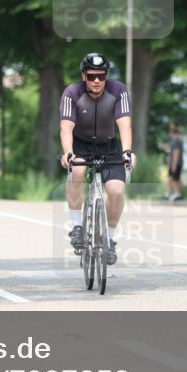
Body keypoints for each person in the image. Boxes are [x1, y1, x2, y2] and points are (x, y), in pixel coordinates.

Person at [59, 52, 136, 266]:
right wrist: (68, 152)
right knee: (78, 169)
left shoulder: (118, 91)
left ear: (107, 76)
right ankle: (76, 225)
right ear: (84, 75)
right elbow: (66, 127)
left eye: (101, 76)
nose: (96, 81)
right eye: (92, 76)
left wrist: (127, 151)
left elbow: (124, 123)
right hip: (81, 145)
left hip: (110, 146)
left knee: (117, 191)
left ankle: (109, 238)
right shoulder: (71, 93)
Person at [165, 123, 184, 201]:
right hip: (174, 163)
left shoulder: (176, 141)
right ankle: (170, 192)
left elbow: (176, 153)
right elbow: (170, 146)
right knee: (172, 178)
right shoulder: (175, 141)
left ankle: (178, 193)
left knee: (176, 179)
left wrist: (174, 165)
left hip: (175, 163)